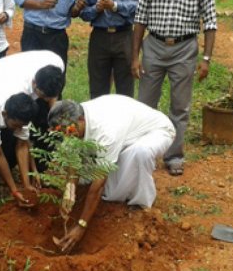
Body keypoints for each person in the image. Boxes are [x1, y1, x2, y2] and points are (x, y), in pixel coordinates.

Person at [47, 95, 176, 252]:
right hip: (125, 133)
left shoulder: (106, 131)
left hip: (155, 132)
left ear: (81, 119)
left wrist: (81, 226)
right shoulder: (73, 121)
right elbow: (74, 160)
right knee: (94, 178)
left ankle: (141, 203)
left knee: (139, 153)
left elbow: (99, 183)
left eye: (69, 131)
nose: (67, 136)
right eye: (63, 133)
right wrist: (70, 191)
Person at [131, 0, 217, 176]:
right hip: (153, 46)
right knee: (145, 104)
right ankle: (144, 154)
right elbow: (140, 18)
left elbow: (210, 22)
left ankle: (174, 156)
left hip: (184, 49)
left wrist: (206, 59)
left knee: (180, 106)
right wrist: (135, 57)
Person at [0, 50, 64, 159]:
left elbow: (51, 96)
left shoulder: (57, 65)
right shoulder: (16, 90)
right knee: (11, 131)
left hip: (33, 71)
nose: (46, 100)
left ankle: (43, 157)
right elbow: (22, 133)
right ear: (34, 83)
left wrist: (55, 119)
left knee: (47, 121)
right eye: (43, 96)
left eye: (49, 97)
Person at [74, 0, 139, 98]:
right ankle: (97, 115)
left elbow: (139, 4)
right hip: (99, 37)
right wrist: (96, 9)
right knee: (97, 89)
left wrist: (115, 6)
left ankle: (124, 115)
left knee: (125, 90)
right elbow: (82, 12)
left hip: (124, 36)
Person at [13, 0, 83, 70]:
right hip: (33, 34)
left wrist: (77, 8)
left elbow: (72, 12)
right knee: (30, 74)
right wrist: (39, 4)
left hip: (57, 36)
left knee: (55, 77)